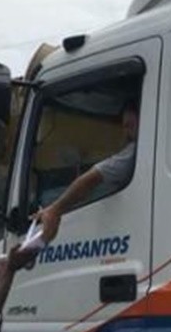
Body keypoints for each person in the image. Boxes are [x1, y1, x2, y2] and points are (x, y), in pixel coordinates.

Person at [33, 98, 139, 244]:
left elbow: (91, 179)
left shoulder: (133, 153)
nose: (127, 132)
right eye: (124, 127)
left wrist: (54, 210)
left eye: (130, 125)